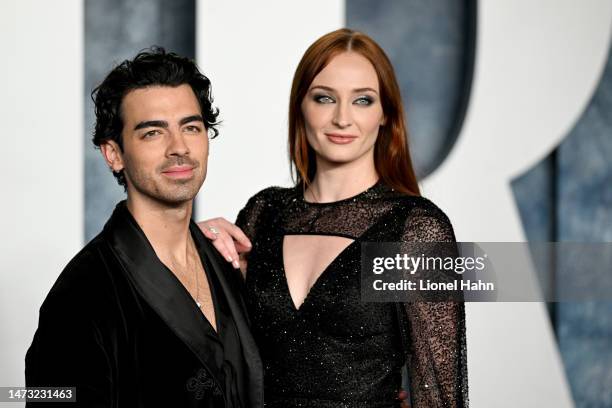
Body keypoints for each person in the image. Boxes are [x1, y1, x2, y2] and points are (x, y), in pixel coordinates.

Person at [200, 28, 468, 407]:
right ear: (301, 107)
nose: (342, 118)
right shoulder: (264, 213)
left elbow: (440, 395)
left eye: (362, 100)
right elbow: (216, 360)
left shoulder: (415, 228)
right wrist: (192, 253)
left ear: (385, 115)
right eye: (325, 98)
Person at [25, 48, 263, 407]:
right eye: (153, 133)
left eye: (191, 127)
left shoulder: (225, 263)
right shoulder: (81, 295)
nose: (179, 147)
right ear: (114, 154)